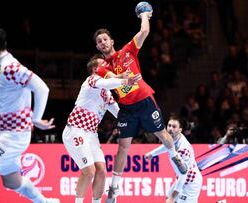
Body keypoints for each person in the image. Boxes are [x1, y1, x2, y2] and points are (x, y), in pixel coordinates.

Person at [93, 5, 188, 203]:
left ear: (111, 41)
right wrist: (124, 77)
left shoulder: (128, 51)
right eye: (99, 42)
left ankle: (175, 155)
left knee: (161, 133)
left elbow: (144, 31)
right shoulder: (102, 68)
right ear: (98, 48)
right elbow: (112, 77)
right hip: (127, 109)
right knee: (123, 147)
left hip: (144, 100)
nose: (102, 43)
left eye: (104, 39)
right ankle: (114, 189)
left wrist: (145, 15)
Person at [0, 26, 59, 203]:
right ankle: (46, 202)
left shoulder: (11, 67)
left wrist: (36, 118)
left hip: (15, 135)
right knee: (11, 181)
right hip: (0, 132)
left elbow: (41, 88)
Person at [62, 55, 141, 203]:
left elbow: (119, 113)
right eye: (103, 65)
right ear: (95, 69)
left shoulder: (106, 93)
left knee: (101, 171)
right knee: (89, 172)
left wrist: (136, 118)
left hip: (91, 134)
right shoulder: (91, 80)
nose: (107, 67)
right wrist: (124, 80)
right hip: (76, 130)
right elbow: (110, 81)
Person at [145, 115, 202, 203]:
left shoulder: (183, 149)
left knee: (171, 199)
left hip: (190, 182)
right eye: (169, 125)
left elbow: (183, 174)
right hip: (182, 178)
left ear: (180, 130)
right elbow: (168, 145)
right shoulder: (173, 137)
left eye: (174, 126)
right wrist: (152, 154)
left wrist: (172, 197)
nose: (170, 128)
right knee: (168, 197)